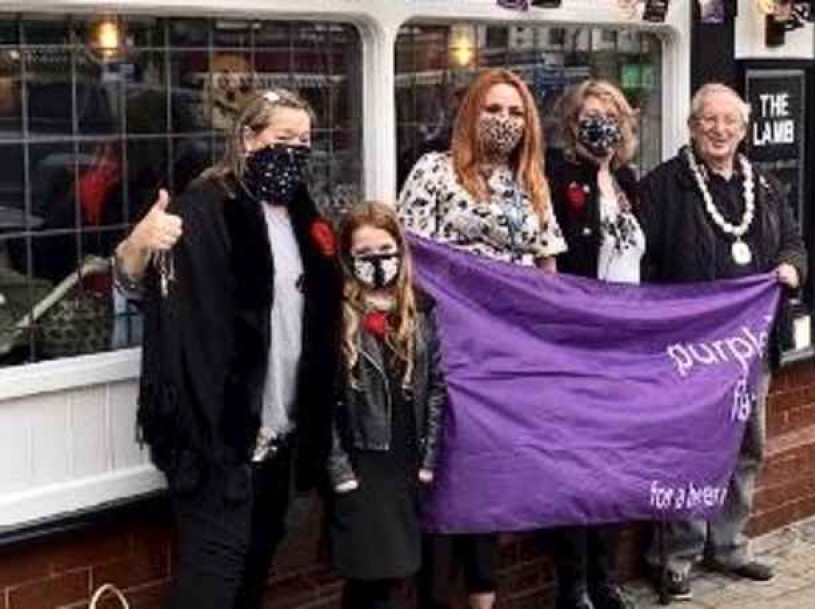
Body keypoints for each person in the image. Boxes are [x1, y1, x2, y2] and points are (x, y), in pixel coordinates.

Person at [115, 88, 342, 609]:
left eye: (305, 140)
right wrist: (138, 245)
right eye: (283, 138)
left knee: (253, 575)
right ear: (247, 138)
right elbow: (135, 285)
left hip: (282, 439)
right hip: (219, 442)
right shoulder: (205, 206)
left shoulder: (305, 215)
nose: (296, 150)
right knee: (211, 584)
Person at [397, 68, 567, 609]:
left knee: (487, 481)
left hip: (506, 358)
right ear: (472, 112)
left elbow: (548, 272)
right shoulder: (434, 171)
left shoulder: (531, 183)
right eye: (493, 109)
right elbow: (409, 260)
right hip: (449, 353)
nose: (504, 121)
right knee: (442, 476)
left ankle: (483, 600)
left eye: (516, 113)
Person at [637, 83, 807, 603]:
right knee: (687, 449)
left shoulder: (767, 186)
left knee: (745, 447)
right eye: (709, 120)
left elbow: (794, 243)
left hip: (750, 350)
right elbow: (643, 268)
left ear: (743, 129)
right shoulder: (663, 187)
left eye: (730, 122)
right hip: (689, 352)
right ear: (692, 127)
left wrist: (791, 269)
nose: (720, 130)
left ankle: (730, 545)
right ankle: (676, 556)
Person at [544, 79, 642, 609]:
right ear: (571, 123)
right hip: (577, 344)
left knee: (615, 463)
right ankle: (573, 582)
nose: (599, 124)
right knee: (577, 462)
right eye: (589, 115)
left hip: (625, 348)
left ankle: (606, 576)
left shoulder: (627, 181)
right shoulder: (556, 176)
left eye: (609, 115)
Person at [324, 201, 446, 609]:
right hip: (364, 464)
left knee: (399, 575)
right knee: (367, 579)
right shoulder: (338, 317)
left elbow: (436, 388)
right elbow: (321, 400)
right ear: (348, 257)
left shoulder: (420, 311)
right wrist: (341, 473)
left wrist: (428, 460)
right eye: (364, 254)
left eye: (385, 251)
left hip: (405, 461)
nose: (377, 262)